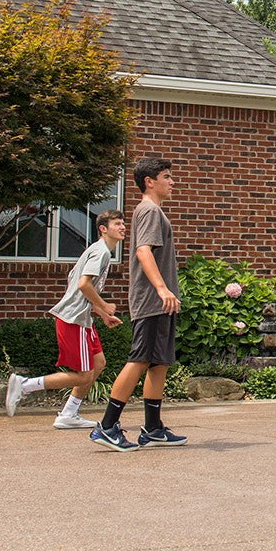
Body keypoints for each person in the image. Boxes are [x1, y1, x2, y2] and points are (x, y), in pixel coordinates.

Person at [90, 156, 187, 451]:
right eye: (167, 177)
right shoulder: (149, 211)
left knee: (159, 364)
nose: (172, 182)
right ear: (150, 181)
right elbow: (144, 251)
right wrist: (162, 289)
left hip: (161, 303)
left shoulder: (154, 211)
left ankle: (153, 428)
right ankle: (107, 426)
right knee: (140, 360)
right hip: (152, 301)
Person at [5, 209, 127, 428]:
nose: (122, 227)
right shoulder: (101, 252)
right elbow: (83, 285)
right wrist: (104, 305)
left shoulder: (98, 251)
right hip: (73, 321)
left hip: (82, 320)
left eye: (123, 223)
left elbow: (75, 282)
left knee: (98, 364)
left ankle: (68, 414)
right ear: (103, 229)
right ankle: (24, 385)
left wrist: (101, 313)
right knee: (82, 376)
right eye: (117, 223)